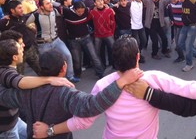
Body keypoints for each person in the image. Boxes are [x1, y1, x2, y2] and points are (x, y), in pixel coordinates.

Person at [33, 36, 196, 139]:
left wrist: (49, 130)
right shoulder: (154, 78)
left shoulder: (103, 84)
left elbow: (83, 121)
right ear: (138, 57)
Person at [0, 46, 143, 139]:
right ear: (64, 67)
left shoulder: (26, 91)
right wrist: (120, 82)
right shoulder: (65, 92)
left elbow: (3, 97)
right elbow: (91, 106)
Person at [0, 38, 74, 139]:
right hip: (7, 127)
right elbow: (20, 82)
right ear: (14, 57)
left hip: (14, 121)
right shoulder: (5, 72)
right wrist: (49, 79)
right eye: (19, 47)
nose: (23, 47)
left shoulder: (7, 69)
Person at [25, 0, 75, 82]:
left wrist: (52, 1)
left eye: (50, 3)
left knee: (67, 55)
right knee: (46, 63)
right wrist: (33, 29)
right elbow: (26, 23)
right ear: (41, 7)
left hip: (56, 40)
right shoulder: (36, 15)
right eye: (47, 3)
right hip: (43, 44)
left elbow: (60, 7)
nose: (50, 5)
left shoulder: (55, 11)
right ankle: (50, 81)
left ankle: (70, 76)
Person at [0, 1, 40, 75]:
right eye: (19, 8)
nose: (22, 10)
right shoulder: (5, 22)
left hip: (30, 49)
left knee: (40, 69)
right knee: (19, 75)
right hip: (17, 53)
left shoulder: (24, 17)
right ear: (12, 10)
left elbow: (32, 13)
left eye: (22, 7)